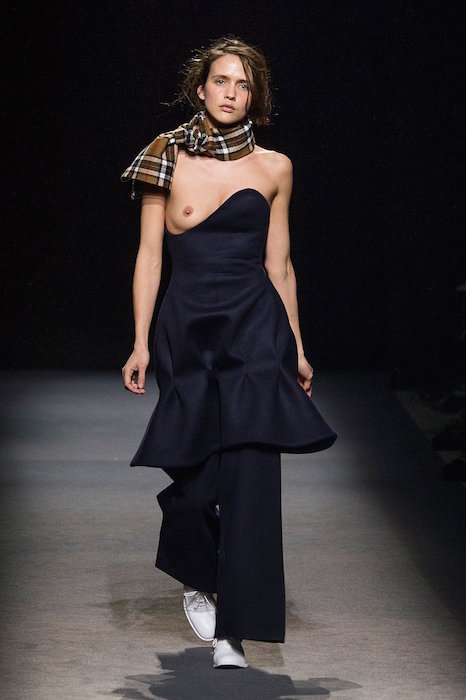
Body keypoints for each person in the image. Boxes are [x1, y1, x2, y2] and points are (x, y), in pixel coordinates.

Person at [121, 35, 337, 669]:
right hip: (187, 332)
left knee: (250, 476)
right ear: (201, 88)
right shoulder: (166, 157)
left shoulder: (275, 168)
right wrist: (139, 340)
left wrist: (297, 348)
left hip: (255, 331)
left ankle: (233, 633)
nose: (232, 93)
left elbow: (280, 265)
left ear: (254, 98)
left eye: (244, 85)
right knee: (193, 483)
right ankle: (199, 570)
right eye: (222, 80)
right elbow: (150, 256)